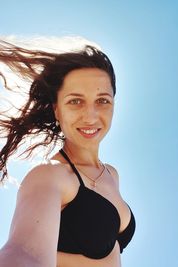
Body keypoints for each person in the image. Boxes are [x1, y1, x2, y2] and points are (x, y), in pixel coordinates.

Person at [0, 38, 136, 267]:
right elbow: (24, 253)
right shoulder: (49, 176)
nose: (91, 116)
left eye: (102, 100)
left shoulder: (111, 174)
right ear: (57, 110)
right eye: (75, 101)